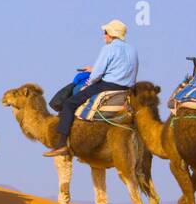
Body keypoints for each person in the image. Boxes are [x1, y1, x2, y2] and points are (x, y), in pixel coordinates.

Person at [43, 19, 138, 157]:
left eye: (105, 32)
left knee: (69, 103)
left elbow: (96, 76)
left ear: (111, 33)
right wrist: (95, 70)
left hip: (108, 85)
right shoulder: (132, 49)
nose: (103, 35)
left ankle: (61, 144)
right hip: (127, 88)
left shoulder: (109, 48)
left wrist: (90, 78)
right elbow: (126, 69)